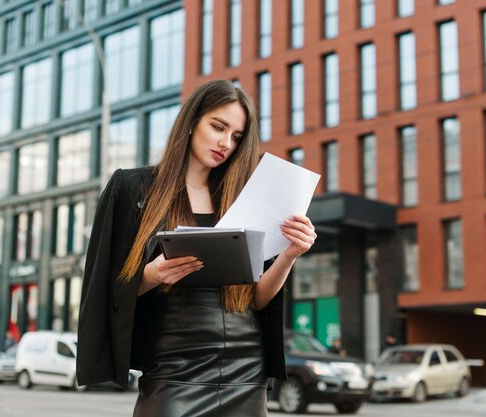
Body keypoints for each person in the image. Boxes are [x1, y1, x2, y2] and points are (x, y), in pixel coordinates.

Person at [76, 80, 317, 417]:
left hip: (245, 368)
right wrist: (152, 274)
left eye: (236, 136)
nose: (225, 143)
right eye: (218, 127)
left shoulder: (244, 201)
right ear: (191, 122)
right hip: (173, 367)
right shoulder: (132, 188)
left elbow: (258, 299)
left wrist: (290, 254)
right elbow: (104, 287)